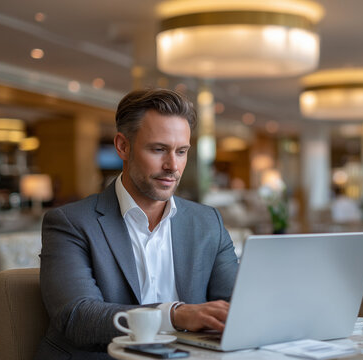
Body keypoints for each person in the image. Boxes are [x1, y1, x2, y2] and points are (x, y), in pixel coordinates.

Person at [35, 89, 239, 360]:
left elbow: (237, 306)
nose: (173, 166)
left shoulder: (207, 222)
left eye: (181, 151)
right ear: (123, 146)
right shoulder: (70, 223)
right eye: (158, 149)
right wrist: (175, 315)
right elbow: (78, 317)